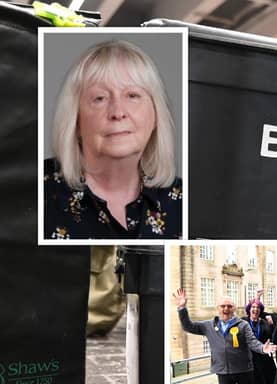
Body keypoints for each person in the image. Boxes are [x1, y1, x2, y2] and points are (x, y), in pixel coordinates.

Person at [45, 40, 181, 239]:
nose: (118, 112)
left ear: (155, 116)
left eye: (132, 95)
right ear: (75, 121)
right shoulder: (33, 192)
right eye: (99, 98)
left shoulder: (186, 202)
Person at [243, 299, 277, 384]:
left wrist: (272, 325)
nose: (255, 309)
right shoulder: (243, 322)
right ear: (249, 309)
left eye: (258, 307)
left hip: (266, 359)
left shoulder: (264, 323)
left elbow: (272, 337)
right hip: (251, 361)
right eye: (253, 307)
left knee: (272, 383)